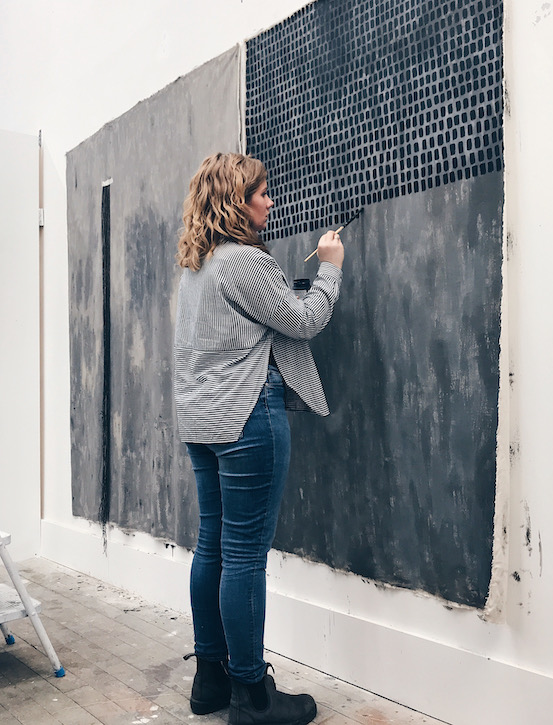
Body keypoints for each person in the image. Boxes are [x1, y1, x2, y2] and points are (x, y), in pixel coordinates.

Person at [174, 152, 344, 725]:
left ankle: (211, 680)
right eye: (261, 193)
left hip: (202, 420)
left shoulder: (197, 265)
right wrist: (331, 268)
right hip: (247, 417)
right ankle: (252, 696)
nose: (270, 201)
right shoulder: (242, 261)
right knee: (243, 557)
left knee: (214, 548)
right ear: (235, 202)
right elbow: (302, 321)